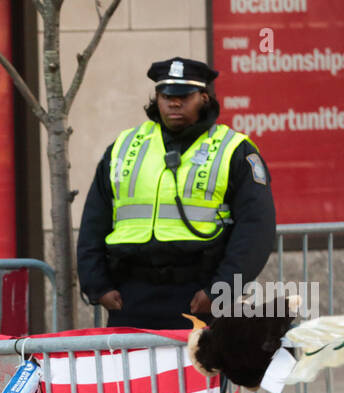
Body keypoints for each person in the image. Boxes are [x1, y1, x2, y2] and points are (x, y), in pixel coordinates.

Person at [76, 57, 277, 330]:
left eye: (184, 96)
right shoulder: (125, 146)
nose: (174, 103)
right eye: (166, 95)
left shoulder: (234, 150)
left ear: (204, 98)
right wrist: (96, 285)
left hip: (199, 294)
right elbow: (94, 219)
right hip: (130, 297)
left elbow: (256, 229)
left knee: (199, 372)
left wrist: (221, 289)